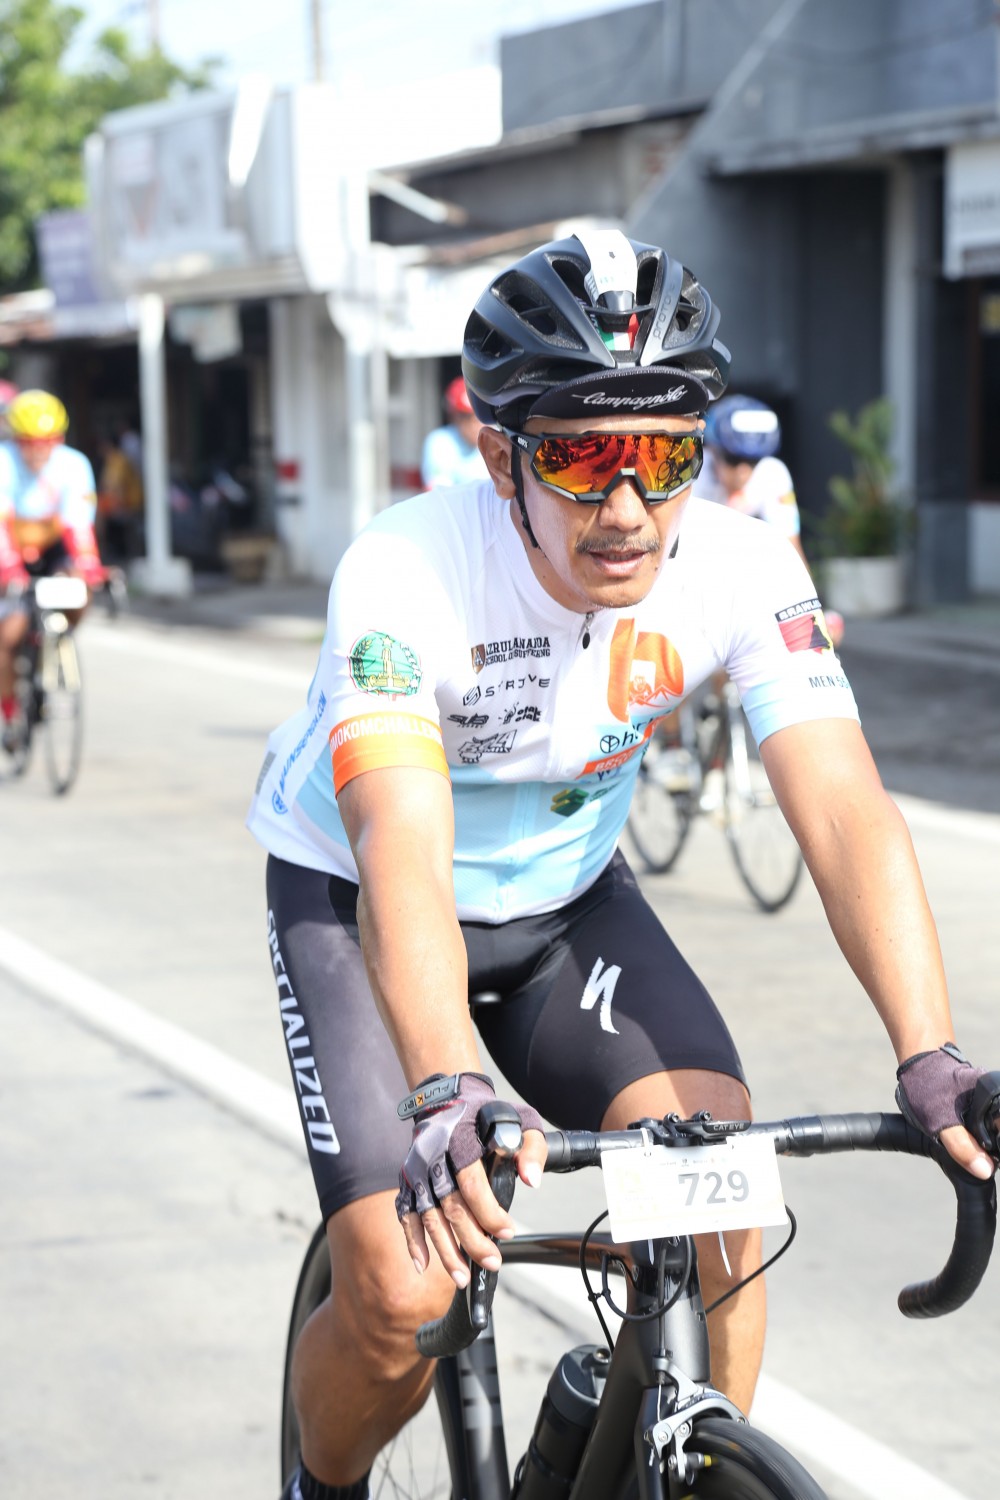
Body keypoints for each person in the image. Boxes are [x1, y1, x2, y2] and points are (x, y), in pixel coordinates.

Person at [247, 230, 996, 1500]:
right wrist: (445, 1085)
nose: (629, 507)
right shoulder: (404, 570)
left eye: (664, 455)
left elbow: (841, 808)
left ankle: (674, 1459)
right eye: (583, 458)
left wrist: (929, 1053)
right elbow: (401, 847)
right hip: (364, 899)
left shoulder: (744, 563)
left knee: (721, 1209)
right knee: (405, 1293)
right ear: (501, 457)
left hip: (565, 907)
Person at [0, 389, 103, 753]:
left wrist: (89, 567)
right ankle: (9, 714)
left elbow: (79, 525)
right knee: (7, 637)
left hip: (54, 547)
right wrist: (10, 570)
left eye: (48, 442)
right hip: (10, 548)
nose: (39, 451)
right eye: (30, 443)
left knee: (80, 588)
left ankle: (57, 641)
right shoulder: (3, 462)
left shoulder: (73, 465)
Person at [419, 375, 488, 487]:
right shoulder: (440, 442)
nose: (474, 424)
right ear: (454, 417)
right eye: (466, 417)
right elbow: (438, 489)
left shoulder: (497, 438)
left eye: (479, 416)